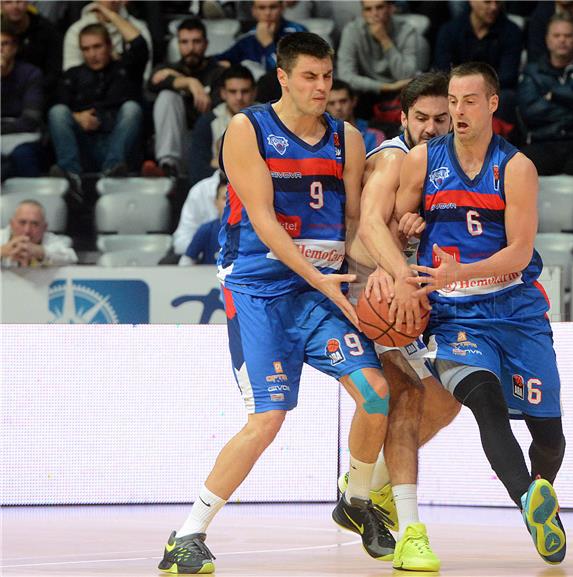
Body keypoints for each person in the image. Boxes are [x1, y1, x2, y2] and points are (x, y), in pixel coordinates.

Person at [157, 32, 394, 574]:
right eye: (309, 77)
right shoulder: (247, 130)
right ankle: (186, 534)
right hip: (259, 290)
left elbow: (356, 222)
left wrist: (379, 275)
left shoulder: (347, 139)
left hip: (321, 291)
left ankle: (356, 500)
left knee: (376, 394)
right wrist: (326, 279)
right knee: (267, 419)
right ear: (283, 78)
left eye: (328, 76)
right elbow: (263, 223)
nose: (321, 87)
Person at [393, 62, 567, 565]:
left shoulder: (516, 168)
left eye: (469, 101)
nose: (458, 110)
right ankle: (527, 505)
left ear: (492, 104)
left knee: (550, 436)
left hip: (515, 309)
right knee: (486, 405)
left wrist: (459, 272)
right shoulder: (424, 160)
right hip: (454, 316)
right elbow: (402, 224)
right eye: (452, 101)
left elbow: (518, 253)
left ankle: (541, 493)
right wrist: (406, 229)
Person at [345, 71, 461, 571]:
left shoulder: (448, 162)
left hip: (402, 292)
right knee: (404, 395)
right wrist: (398, 272)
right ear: (404, 118)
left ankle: (368, 491)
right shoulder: (393, 157)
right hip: (367, 288)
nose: (432, 127)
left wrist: (413, 229)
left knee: (449, 395)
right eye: (422, 118)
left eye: (442, 118)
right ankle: (394, 517)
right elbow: (368, 225)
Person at [518, 12, 573, 229]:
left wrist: (554, 95)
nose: (562, 40)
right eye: (557, 35)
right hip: (542, 140)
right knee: (514, 176)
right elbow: (530, 110)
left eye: (568, 36)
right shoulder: (533, 71)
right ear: (548, 40)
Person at [48, 20, 147, 186]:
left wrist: (109, 12)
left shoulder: (126, 70)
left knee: (132, 109)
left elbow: (140, 46)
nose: (92, 54)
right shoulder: (72, 76)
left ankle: (112, 171)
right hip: (84, 147)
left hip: (119, 145)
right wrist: (77, 117)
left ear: (109, 46)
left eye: (97, 46)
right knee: (57, 112)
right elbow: (55, 114)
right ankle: (70, 176)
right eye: (86, 49)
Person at [146, 18, 226, 178]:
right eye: (185, 42)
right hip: (178, 142)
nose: (191, 48)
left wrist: (179, 81)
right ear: (178, 44)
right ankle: (168, 166)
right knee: (167, 96)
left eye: (196, 42)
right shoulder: (169, 67)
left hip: (209, 144)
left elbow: (215, 107)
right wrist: (190, 82)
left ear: (206, 44)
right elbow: (153, 82)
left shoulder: (218, 72)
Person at [433, 0, 523, 123]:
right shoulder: (449, 31)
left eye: (498, 2)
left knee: (507, 97)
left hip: (493, 91)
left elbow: (508, 75)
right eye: (487, 2)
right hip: (455, 89)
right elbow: (443, 70)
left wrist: (476, 92)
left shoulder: (512, 32)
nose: (493, 7)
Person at [336, 0, 428, 118]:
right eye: (368, 9)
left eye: (379, 7)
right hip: (367, 92)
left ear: (390, 8)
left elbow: (406, 74)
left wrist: (384, 40)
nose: (374, 13)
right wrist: (385, 87)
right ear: (363, 13)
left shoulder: (406, 30)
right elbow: (346, 76)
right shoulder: (352, 31)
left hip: (400, 90)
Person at [188, 65, 256, 185]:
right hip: (218, 193)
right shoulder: (208, 122)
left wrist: (221, 164)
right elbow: (197, 173)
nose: (239, 97)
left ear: (254, 92)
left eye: (245, 91)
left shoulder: (271, 118)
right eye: (233, 91)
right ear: (223, 93)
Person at [214, 0, 307, 80]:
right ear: (254, 11)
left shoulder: (297, 32)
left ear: (282, 8)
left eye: (273, 7)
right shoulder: (247, 38)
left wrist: (268, 45)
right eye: (262, 8)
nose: (267, 13)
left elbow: (289, 73)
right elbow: (215, 61)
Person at [62, 0, 153, 81]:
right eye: (86, 49)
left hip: (124, 89)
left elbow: (144, 73)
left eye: (97, 46)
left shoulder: (137, 29)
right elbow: (70, 73)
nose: (113, 1)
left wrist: (111, 15)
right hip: (86, 90)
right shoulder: (76, 30)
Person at [1, 20, 43, 179]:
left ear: (15, 47)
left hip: (23, 136)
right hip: (9, 130)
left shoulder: (31, 74)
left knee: (23, 154)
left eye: (5, 44)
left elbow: (30, 120)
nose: (0, 49)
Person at [0, 0, 62, 95]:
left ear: (28, 2)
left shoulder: (46, 29)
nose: (15, 6)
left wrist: (33, 89)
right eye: (8, 2)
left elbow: (54, 72)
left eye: (19, 1)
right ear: (0, 5)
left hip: (41, 91)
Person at [1, 200, 77, 268]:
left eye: (34, 224)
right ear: (11, 224)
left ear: (44, 227)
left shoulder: (55, 241)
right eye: (22, 222)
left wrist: (41, 252)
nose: (27, 230)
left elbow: (72, 258)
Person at [172, 170, 225, 256]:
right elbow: (180, 242)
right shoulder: (200, 191)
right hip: (204, 264)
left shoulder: (254, 186)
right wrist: (203, 247)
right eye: (225, 198)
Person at [326, 79, 385, 153]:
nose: (338, 107)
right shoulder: (320, 137)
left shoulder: (374, 134)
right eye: (331, 103)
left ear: (354, 101)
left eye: (343, 101)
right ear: (325, 106)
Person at [179, 182, 225, 266]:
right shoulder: (207, 229)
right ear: (216, 202)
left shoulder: (250, 231)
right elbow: (187, 261)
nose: (229, 203)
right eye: (225, 198)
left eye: (234, 199)